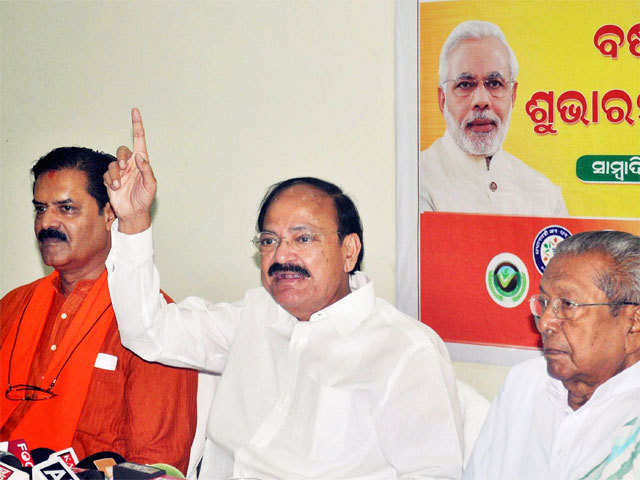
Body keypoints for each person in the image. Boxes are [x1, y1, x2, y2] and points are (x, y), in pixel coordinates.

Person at [104, 109, 464, 479]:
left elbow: (434, 473)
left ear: (349, 251)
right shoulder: (253, 316)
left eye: (303, 238)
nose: (282, 255)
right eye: (270, 240)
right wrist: (132, 222)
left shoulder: (404, 350)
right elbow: (147, 332)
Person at [0, 147, 198, 473]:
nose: (47, 222)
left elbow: (154, 465)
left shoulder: (155, 322)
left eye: (66, 209)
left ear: (109, 214)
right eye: (40, 209)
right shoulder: (12, 306)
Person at [464, 230, 640, 479]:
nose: (545, 321)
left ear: (633, 321)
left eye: (568, 304)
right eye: (544, 303)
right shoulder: (526, 382)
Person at [419, 20, 568, 216]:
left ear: (513, 96)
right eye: (465, 84)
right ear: (442, 98)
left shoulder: (543, 194)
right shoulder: (418, 180)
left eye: (495, 83)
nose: (481, 101)